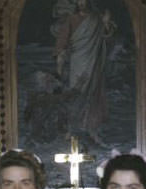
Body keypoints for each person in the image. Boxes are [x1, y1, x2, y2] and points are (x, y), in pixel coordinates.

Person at [53, 0, 115, 144]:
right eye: (79, 0)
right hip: (78, 62)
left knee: (93, 95)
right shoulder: (71, 19)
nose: (82, 3)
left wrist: (106, 23)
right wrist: (60, 59)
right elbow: (62, 40)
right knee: (76, 93)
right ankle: (71, 129)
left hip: (94, 61)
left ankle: (92, 128)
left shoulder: (96, 18)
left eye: (84, 0)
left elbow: (108, 38)